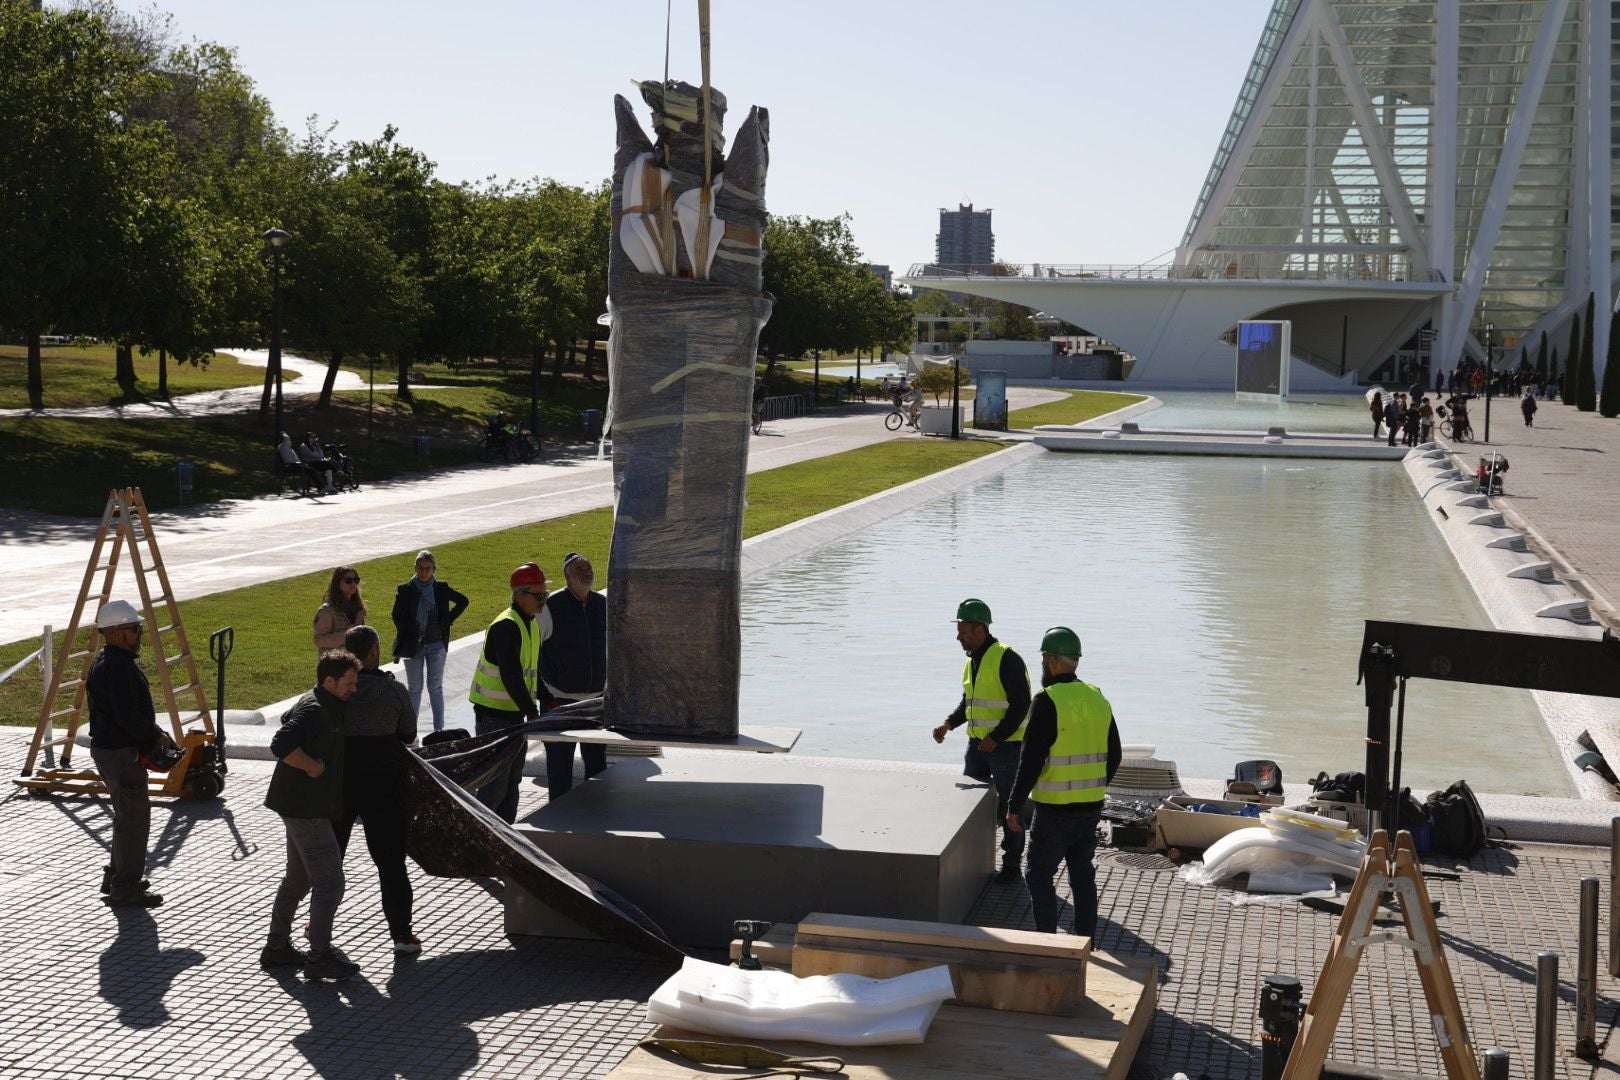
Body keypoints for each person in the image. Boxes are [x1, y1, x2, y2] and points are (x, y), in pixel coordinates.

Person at [1006, 626, 1122, 939]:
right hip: (1091, 808)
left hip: (1054, 811)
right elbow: (1115, 754)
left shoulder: (1047, 701)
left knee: (1038, 875)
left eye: (1045, 659)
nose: (1043, 665)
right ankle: (1085, 943)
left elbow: (1029, 762)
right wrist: (1095, 786)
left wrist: (1014, 805)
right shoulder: (1098, 697)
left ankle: (1047, 944)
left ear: (1055, 661)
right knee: (1082, 875)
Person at [261, 650, 362, 982]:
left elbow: (286, 717)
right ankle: (319, 956)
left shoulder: (318, 700)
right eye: (349, 683)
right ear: (329, 681)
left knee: (299, 879)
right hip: (306, 811)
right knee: (330, 883)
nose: (354, 689)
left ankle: (277, 947)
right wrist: (313, 766)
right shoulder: (317, 710)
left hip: (297, 806)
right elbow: (281, 743)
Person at [931, 598, 1032, 884]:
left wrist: (997, 737)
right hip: (977, 747)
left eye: (962, 630)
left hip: (1007, 748)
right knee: (971, 807)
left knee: (1011, 808)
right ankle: (975, 863)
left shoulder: (1007, 658)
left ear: (979, 629)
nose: (958, 636)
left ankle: (1011, 865)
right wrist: (949, 724)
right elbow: (970, 703)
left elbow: (1022, 704)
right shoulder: (972, 662)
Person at [338, 625, 421, 954]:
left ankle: (318, 925)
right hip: (383, 786)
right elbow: (408, 733)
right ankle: (401, 934)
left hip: (340, 784)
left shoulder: (335, 691)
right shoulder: (394, 691)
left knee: (330, 860)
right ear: (373, 654)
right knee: (390, 863)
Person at [87, 599, 171, 907]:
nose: (139, 634)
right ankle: (125, 886)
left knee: (126, 818)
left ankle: (116, 877)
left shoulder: (107, 661)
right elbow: (127, 716)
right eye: (134, 629)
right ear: (114, 632)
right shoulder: (118, 668)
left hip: (112, 751)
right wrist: (155, 736)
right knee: (135, 821)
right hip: (120, 753)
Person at [468, 563, 552, 824]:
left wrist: (548, 698)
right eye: (538, 596)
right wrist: (532, 711)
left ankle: (507, 837)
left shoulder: (531, 624)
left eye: (544, 595)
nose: (542, 601)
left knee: (512, 781)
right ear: (519, 595)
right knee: (494, 787)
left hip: (513, 717)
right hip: (495, 719)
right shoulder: (506, 626)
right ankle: (481, 839)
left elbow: (531, 670)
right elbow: (511, 675)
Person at [540, 552, 608, 800]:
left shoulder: (603, 605)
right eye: (580, 569)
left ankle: (599, 814)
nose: (586, 572)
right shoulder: (550, 607)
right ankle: (559, 821)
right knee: (559, 766)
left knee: (597, 767)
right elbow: (534, 650)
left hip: (595, 701)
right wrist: (544, 694)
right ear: (567, 576)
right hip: (560, 701)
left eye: (588, 567)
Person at [390, 551, 470, 732]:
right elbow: (396, 614)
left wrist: (447, 620)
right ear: (415, 568)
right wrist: (407, 630)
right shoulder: (406, 589)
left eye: (427, 569)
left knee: (435, 687)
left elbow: (463, 601)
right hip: (413, 646)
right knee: (414, 689)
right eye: (420, 568)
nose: (424, 572)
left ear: (434, 569)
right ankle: (411, 730)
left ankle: (438, 730)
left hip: (436, 644)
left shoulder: (440, 588)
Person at [314, 566, 367, 654]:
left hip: (355, 663)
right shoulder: (327, 611)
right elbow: (319, 640)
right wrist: (349, 634)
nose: (353, 584)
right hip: (334, 664)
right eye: (348, 581)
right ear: (337, 583)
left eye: (356, 580)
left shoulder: (358, 607)